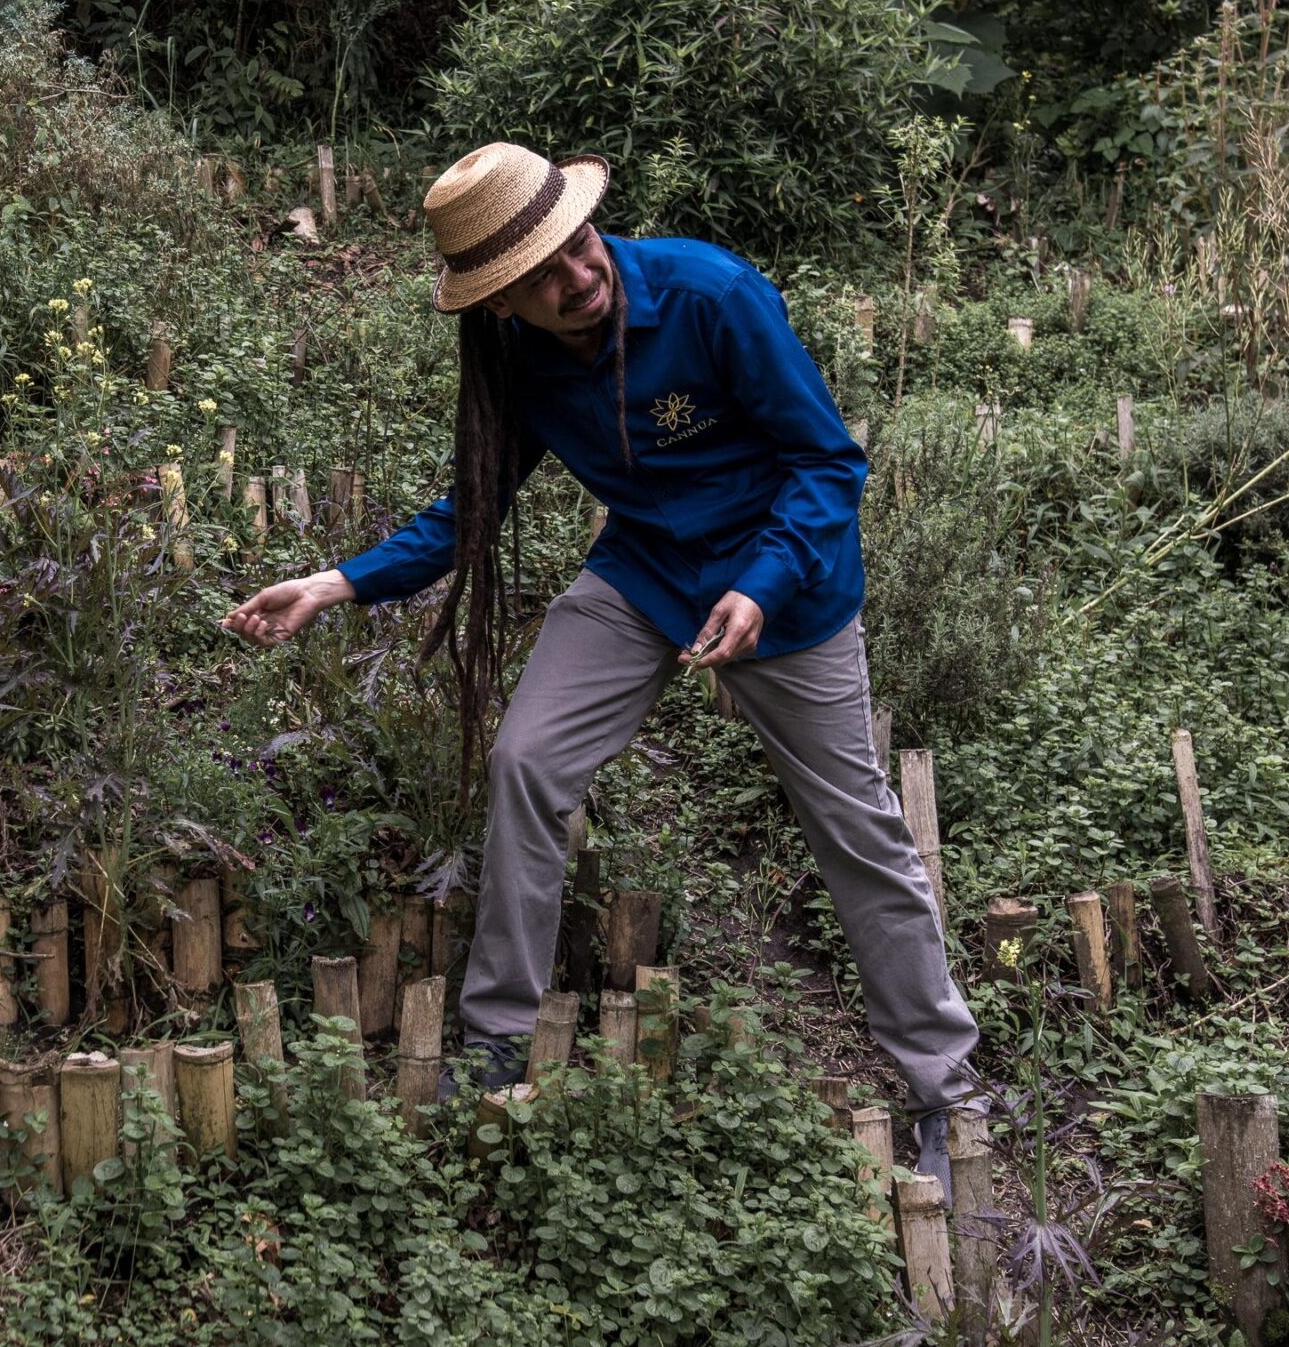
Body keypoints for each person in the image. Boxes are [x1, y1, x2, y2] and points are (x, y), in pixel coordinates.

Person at [220, 141, 980, 1188]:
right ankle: (493, 1041)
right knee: (525, 762)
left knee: (855, 831)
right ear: (497, 304)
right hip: (645, 573)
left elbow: (825, 459)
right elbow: (473, 506)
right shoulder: (520, 359)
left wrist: (760, 586)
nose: (577, 280)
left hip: (787, 587)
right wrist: (338, 583)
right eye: (541, 277)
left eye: (576, 249)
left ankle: (944, 1081)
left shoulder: (711, 292)